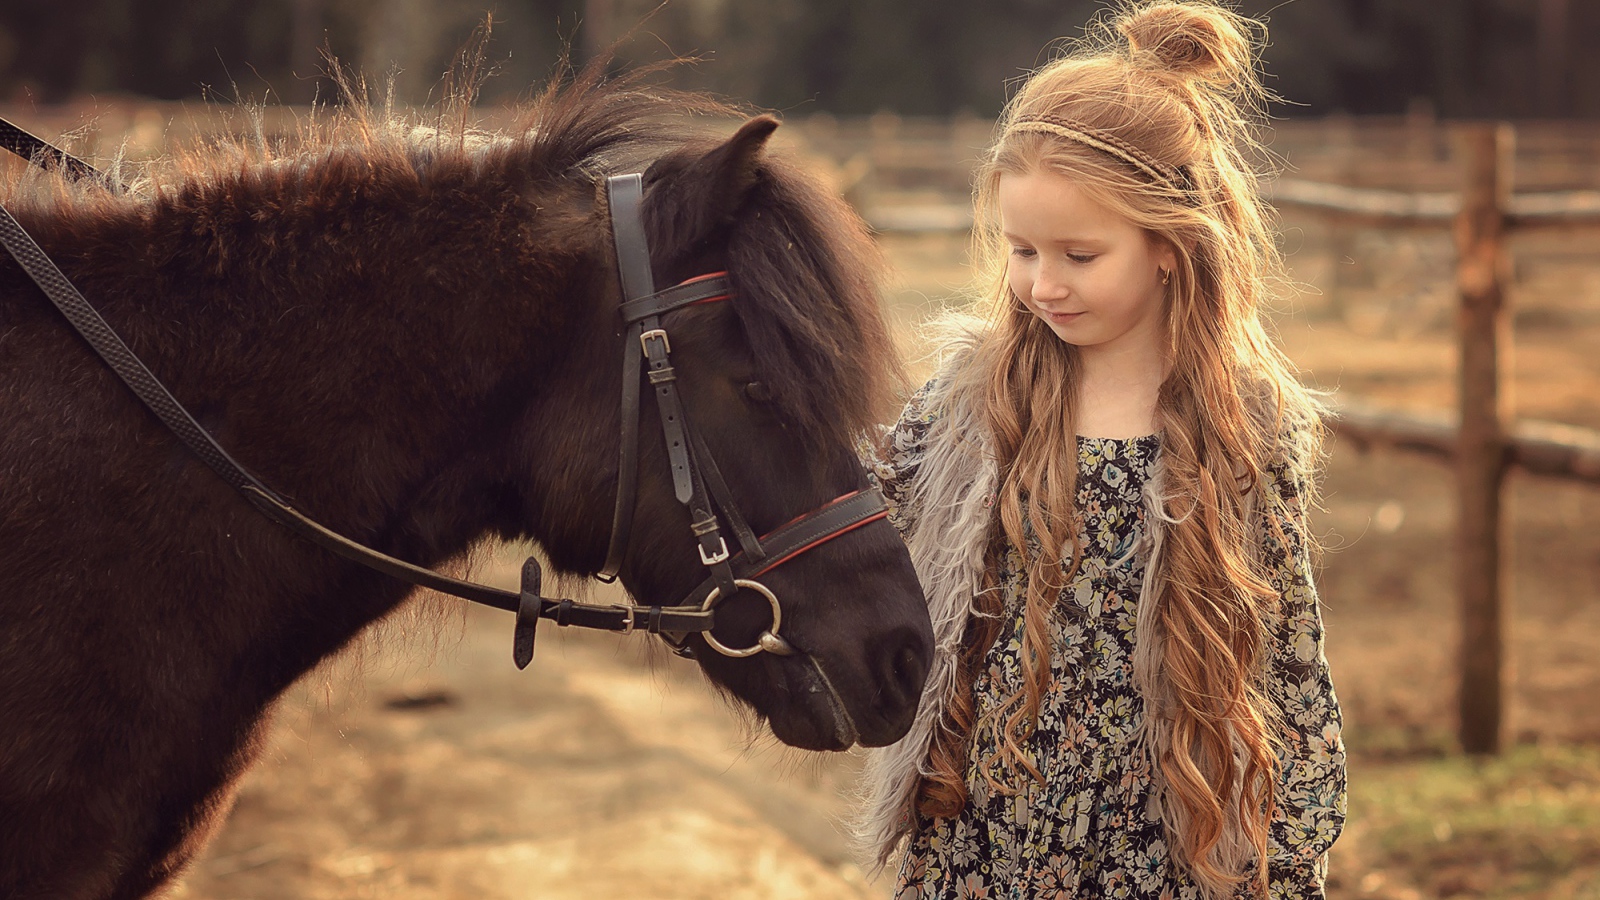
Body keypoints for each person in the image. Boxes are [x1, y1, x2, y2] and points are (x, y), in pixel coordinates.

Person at [852, 2, 1346, 897]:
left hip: (1168, 840)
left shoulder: (1247, 426)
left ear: (1168, 243)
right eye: (1023, 250)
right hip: (984, 835)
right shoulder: (976, 399)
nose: (1044, 284)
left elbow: (1290, 646)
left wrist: (1296, 847)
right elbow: (861, 512)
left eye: (1080, 254)